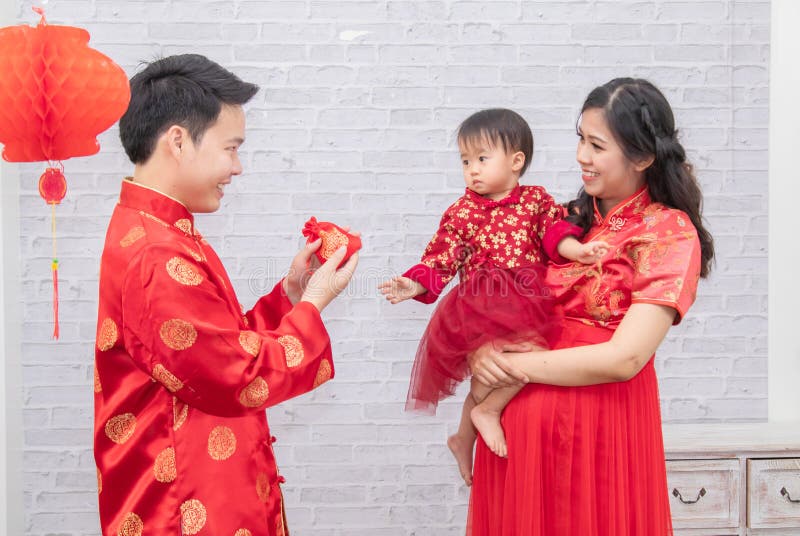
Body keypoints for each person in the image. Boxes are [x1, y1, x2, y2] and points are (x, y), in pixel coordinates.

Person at [92, 54, 358, 536]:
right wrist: (314, 304)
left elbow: (212, 349)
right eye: (231, 148)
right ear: (178, 140)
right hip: (187, 504)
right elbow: (236, 374)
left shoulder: (159, 230)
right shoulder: (155, 252)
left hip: (206, 484)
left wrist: (290, 296)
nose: (237, 167)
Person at [466, 78, 715, 535]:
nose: (582, 156)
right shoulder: (562, 224)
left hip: (601, 435)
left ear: (642, 156)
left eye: (597, 145)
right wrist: (482, 352)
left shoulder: (668, 231)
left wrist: (515, 365)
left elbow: (626, 358)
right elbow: (495, 296)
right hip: (516, 440)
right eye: (580, 139)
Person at [379, 108, 608, 485]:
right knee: (489, 376)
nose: (472, 169)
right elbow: (442, 258)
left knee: (526, 361)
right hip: (480, 307)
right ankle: (475, 422)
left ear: (516, 161)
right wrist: (414, 284)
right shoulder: (461, 212)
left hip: (528, 301)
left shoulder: (535, 201)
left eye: (482, 159)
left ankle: (469, 429)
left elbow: (555, 235)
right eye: (466, 160)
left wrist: (577, 252)